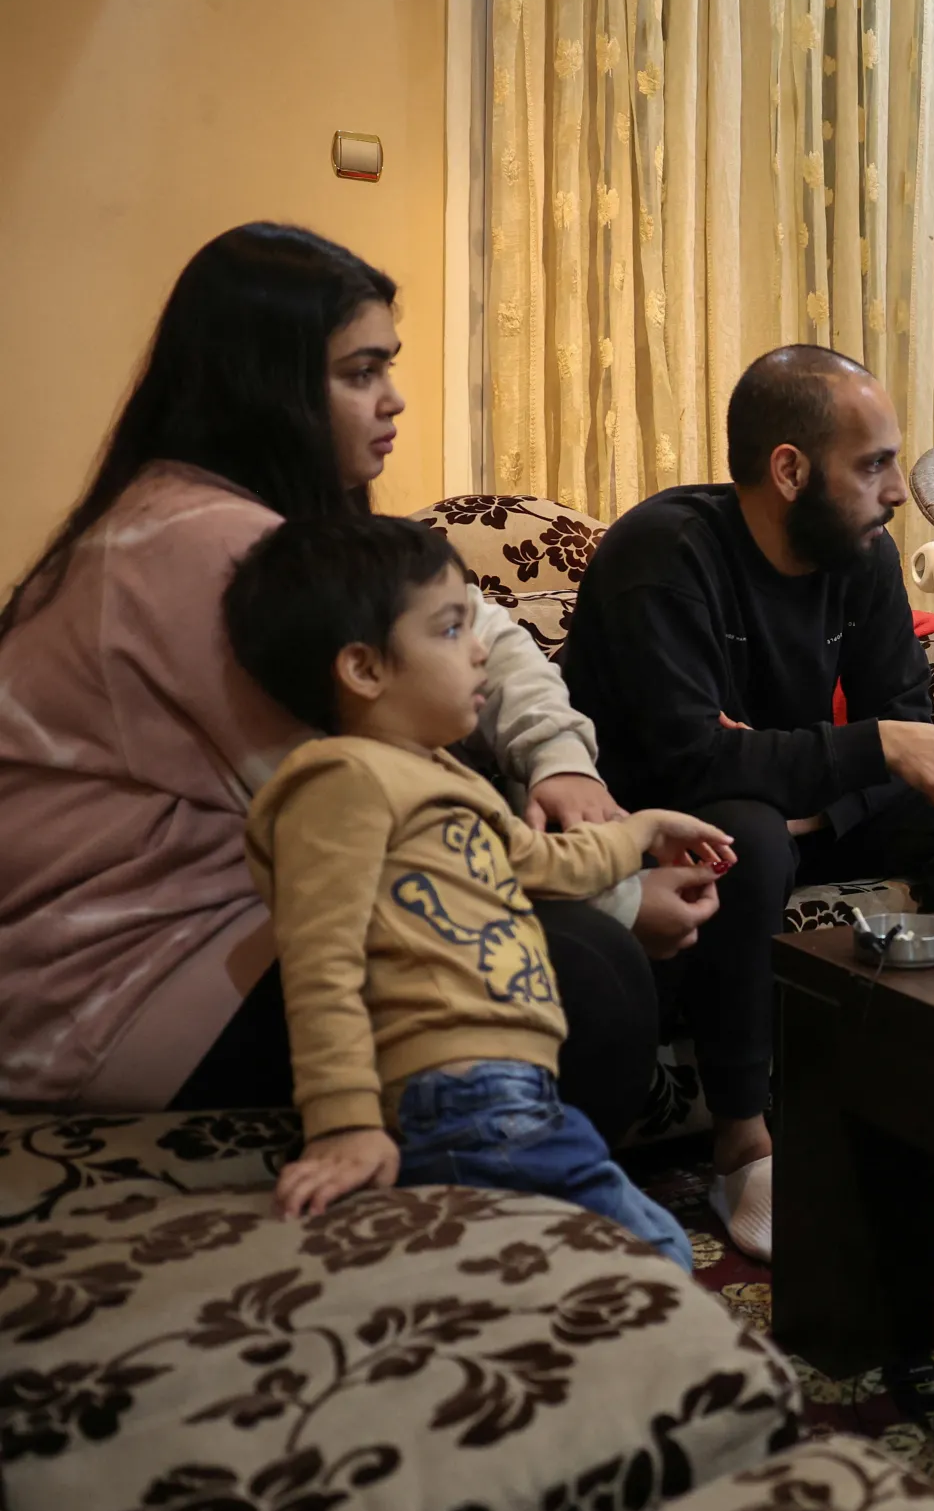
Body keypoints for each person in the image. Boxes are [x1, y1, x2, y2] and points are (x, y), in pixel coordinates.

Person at [0, 223, 717, 1142]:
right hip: (110, 984)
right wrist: (618, 898)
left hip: (234, 916)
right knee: (578, 976)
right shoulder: (198, 550)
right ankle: (485, 1252)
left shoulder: (267, 522)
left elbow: (487, 632)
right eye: (360, 373)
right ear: (270, 388)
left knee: (588, 947)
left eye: (389, 366)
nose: (395, 400)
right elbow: (373, 820)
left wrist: (557, 762)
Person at [562, 345, 934, 1258]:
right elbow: (691, 761)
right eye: (874, 464)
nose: (899, 489)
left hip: (804, 809)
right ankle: (744, 1143)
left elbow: (903, 726)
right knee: (744, 833)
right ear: (789, 469)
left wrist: (835, 787)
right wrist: (857, 759)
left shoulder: (856, 550)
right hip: (663, 831)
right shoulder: (664, 555)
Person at [223, 515, 731, 1264]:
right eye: (451, 628)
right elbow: (319, 958)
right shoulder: (337, 781)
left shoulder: (446, 776)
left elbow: (542, 863)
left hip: (518, 1088)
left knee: (534, 1267)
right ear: (364, 670)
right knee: (651, 1254)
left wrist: (640, 830)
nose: (480, 647)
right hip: (459, 1095)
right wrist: (343, 1122)